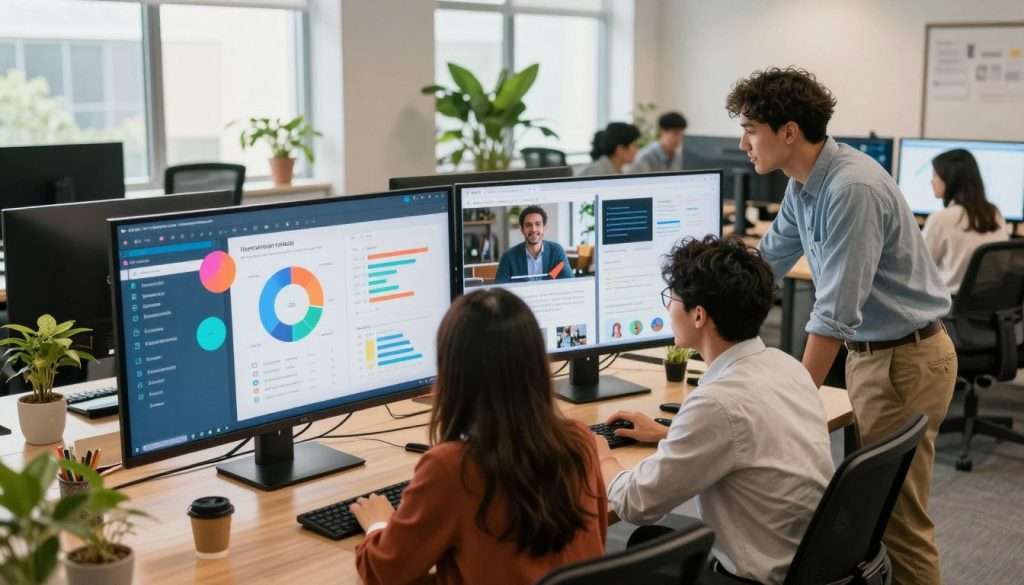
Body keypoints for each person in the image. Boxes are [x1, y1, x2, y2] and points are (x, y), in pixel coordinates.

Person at [729, 67, 956, 585]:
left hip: (904, 361)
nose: (743, 144)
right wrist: (705, 288)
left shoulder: (851, 188)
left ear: (789, 132)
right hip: (876, 356)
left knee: (900, 523)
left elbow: (834, 313)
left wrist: (790, 400)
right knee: (871, 518)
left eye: (750, 130)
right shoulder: (804, 184)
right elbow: (766, 263)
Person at [596, 236, 832, 585]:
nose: (668, 306)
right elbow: (753, 436)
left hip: (757, 578)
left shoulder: (718, 403)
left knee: (641, 544)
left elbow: (636, 504)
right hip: (807, 562)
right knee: (650, 541)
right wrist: (670, 433)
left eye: (672, 297)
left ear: (698, 315)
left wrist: (600, 456)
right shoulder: (786, 366)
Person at [352, 288, 607, 585]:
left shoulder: (451, 468)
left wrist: (378, 523)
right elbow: (597, 544)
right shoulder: (580, 442)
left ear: (451, 375)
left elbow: (383, 573)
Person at [921, 148, 1008, 296]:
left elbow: (919, 268)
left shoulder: (940, 219)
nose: (931, 181)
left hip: (949, 303)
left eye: (935, 175)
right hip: (989, 303)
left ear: (950, 180)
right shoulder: (995, 213)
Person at [495, 205, 573, 283]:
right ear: (522, 230)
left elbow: (569, 281)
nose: (533, 229)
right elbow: (500, 286)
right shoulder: (508, 257)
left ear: (544, 228)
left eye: (538, 224)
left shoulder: (556, 251)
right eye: (528, 225)